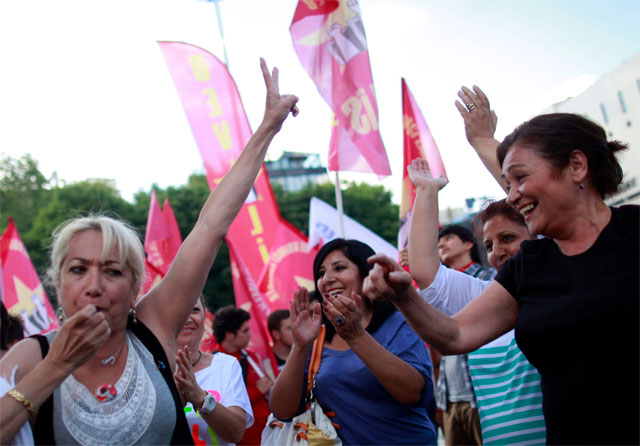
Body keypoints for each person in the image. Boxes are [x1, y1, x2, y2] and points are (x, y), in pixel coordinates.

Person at [0, 58, 299, 445]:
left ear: (135, 284)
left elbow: (210, 228)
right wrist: (56, 366)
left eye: (112, 271)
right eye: (78, 269)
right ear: (57, 281)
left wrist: (267, 128)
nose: (94, 285)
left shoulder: (153, 328)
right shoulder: (31, 356)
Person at [364, 113, 639, 445]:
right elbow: (455, 335)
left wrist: (482, 140)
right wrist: (403, 295)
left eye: (519, 178)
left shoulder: (632, 233)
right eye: (507, 184)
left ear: (577, 166)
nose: (511, 196)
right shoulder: (530, 267)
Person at [407, 157, 545, 444]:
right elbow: (424, 271)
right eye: (490, 245)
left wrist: (482, 141)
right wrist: (427, 191)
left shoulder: (558, 290)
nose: (498, 252)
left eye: (508, 237)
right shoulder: (484, 295)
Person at [270, 238, 437, 445]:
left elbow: (413, 393)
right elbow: (281, 410)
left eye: (339, 268)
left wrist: (355, 336)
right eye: (321, 273)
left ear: (366, 274)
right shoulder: (317, 338)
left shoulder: (398, 323)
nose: (328, 279)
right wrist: (300, 345)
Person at [174, 296, 253, 445]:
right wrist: (174, 403)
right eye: (178, 309)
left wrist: (200, 398)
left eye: (195, 310)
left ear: (204, 318)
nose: (187, 317)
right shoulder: (150, 369)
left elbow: (235, 433)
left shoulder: (225, 365)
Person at [213, 306, 271, 446]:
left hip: (267, 434)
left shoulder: (252, 357)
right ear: (229, 335)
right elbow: (220, 406)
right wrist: (256, 391)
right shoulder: (213, 364)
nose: (250, 335)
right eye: (245, 331)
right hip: (242, 439)